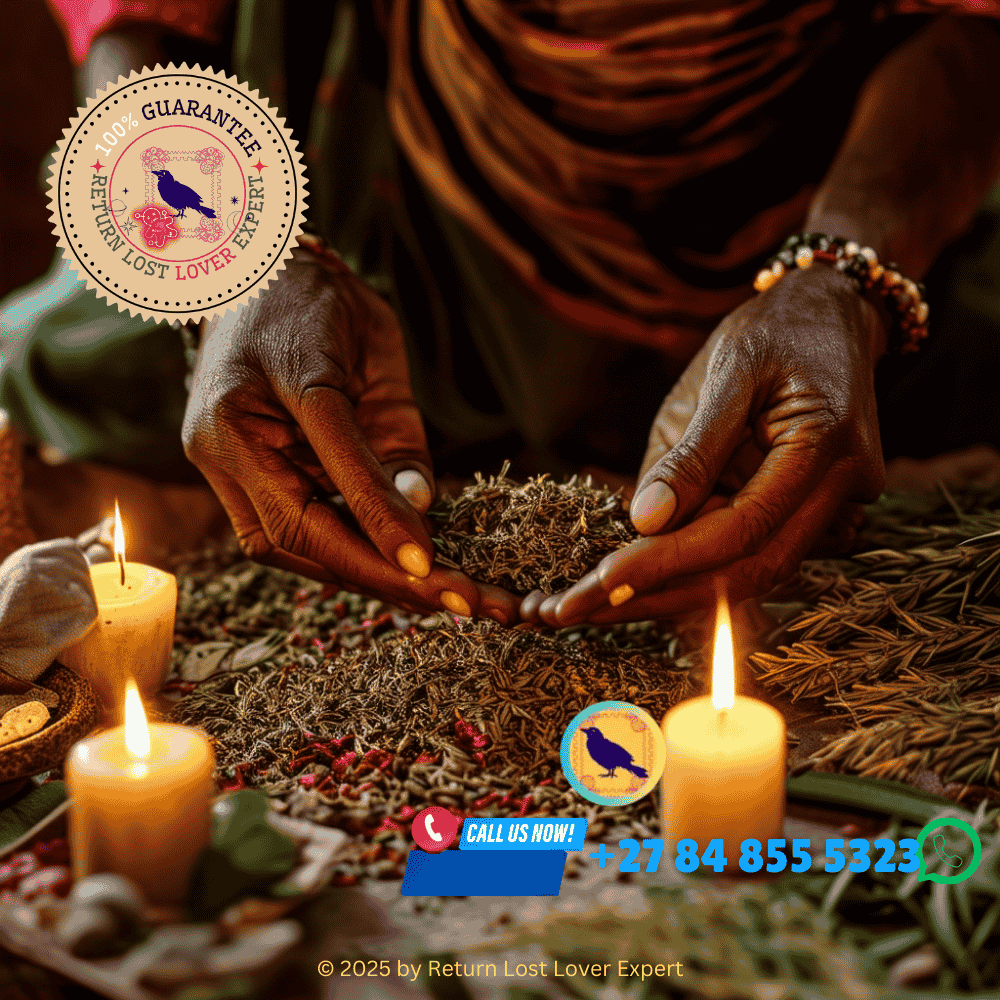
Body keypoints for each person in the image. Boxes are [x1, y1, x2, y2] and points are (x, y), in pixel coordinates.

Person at [20, 0, 1000, 625]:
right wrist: (228, 267)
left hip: (834, 180)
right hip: (396, 196)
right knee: (66, 355)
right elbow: (140, 18)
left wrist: (846, 280)